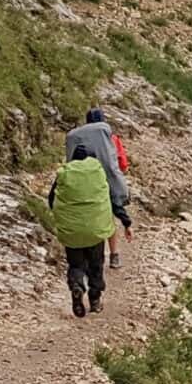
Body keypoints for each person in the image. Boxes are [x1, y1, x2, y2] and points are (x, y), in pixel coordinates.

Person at [47, 145, 128, 317]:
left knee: (76, 265)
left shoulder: (65, 173)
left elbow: (52, 200)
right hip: (95, 231)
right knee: (95, 265)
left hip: (72, 232)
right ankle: (95, 300)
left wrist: (64, 217)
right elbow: (111, 199)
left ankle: (77, 284)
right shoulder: (98, 173)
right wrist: (126, 221)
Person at [65, 109, 135, 270]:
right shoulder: (111, 138)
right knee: (108, 218)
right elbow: (122, 163)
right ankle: (114, 255)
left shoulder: (77, 138)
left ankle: (85, 255)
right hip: (105, 182)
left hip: (82, 184)